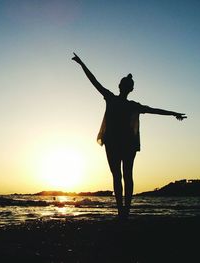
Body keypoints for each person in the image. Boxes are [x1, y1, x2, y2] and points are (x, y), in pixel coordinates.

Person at [72, 52, 186, 220]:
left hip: (118, 142)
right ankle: (124, 211)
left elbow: (95, 81)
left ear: (123, 86)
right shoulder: (124, 102)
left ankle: (122, 212)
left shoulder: (116, 100)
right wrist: (82, 64)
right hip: (121, 142)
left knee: (120, 176)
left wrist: (82, 64)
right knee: (125, 176)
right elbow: (154, 110)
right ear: (128, 88)